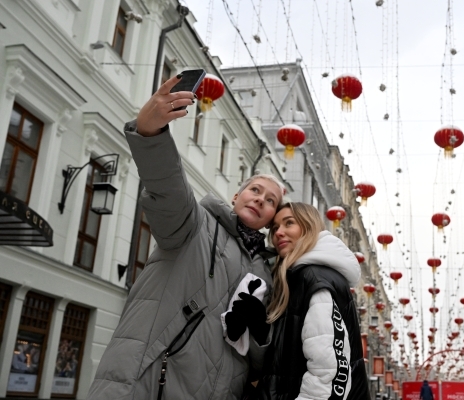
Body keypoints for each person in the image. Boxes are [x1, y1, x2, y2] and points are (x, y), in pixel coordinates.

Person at [87, 74, 285, 400]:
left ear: (270, 219)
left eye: (270, 200)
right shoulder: (197, 225)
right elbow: (168, 189)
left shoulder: (268, 272)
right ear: (236, 195)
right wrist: (151, 134)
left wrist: (260, 333)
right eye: (255, 190)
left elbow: (261, 361)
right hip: (148, 384)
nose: (261, 199)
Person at [250, 202, 370, 399]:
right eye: (275, 228)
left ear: (309, 226)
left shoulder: (315, 278)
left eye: (289, 223)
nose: (279, 232)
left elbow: (328, 375)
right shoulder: (296, 278)